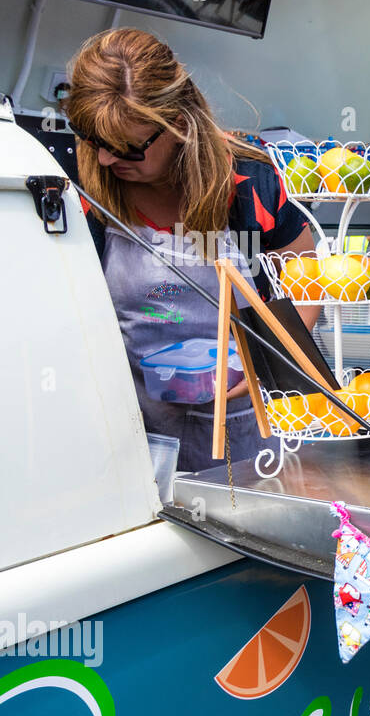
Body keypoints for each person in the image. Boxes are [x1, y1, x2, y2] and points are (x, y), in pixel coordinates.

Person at [63, 28, 320, 473]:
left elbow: (307, 282)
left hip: (247, 436)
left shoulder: (250, 185)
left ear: (178, 124)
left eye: (125, 147)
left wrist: (264, 362)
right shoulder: (84, 192)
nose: (105, 160)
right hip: (132, 437)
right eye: (94, 142)